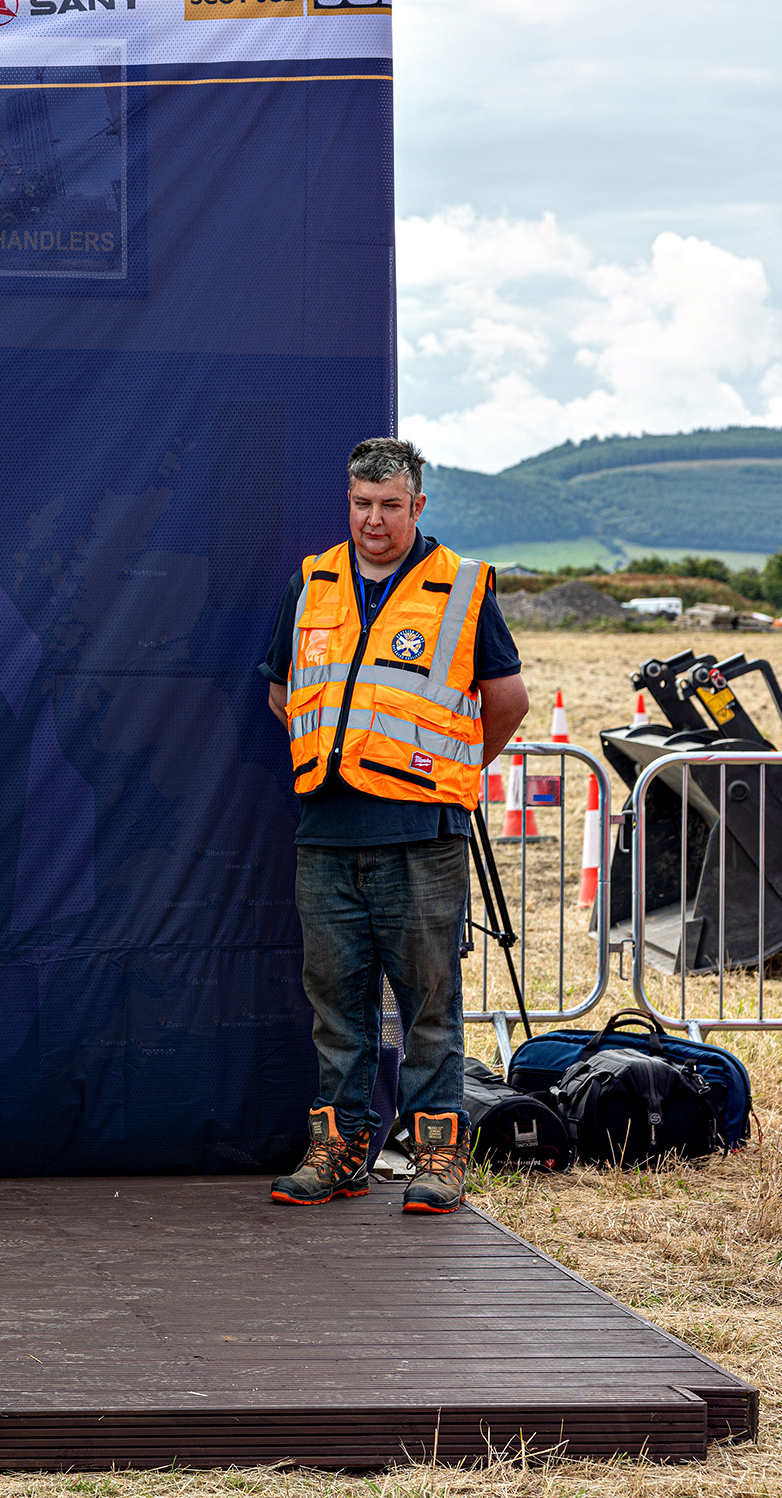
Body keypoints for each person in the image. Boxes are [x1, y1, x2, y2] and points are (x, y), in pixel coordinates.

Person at [261, 437, 528, 1214]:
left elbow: (506, 702)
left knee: (429, 1004)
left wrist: (442, 769)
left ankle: (438, 1156)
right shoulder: (312, 582)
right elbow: (283, 693)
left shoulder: (464, 588)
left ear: (417, 505)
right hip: (328, 832)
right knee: (335, 1003)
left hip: (421, 835)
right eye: (360, 503)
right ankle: (339, 1149)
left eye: (389, 505)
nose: (373, 520)